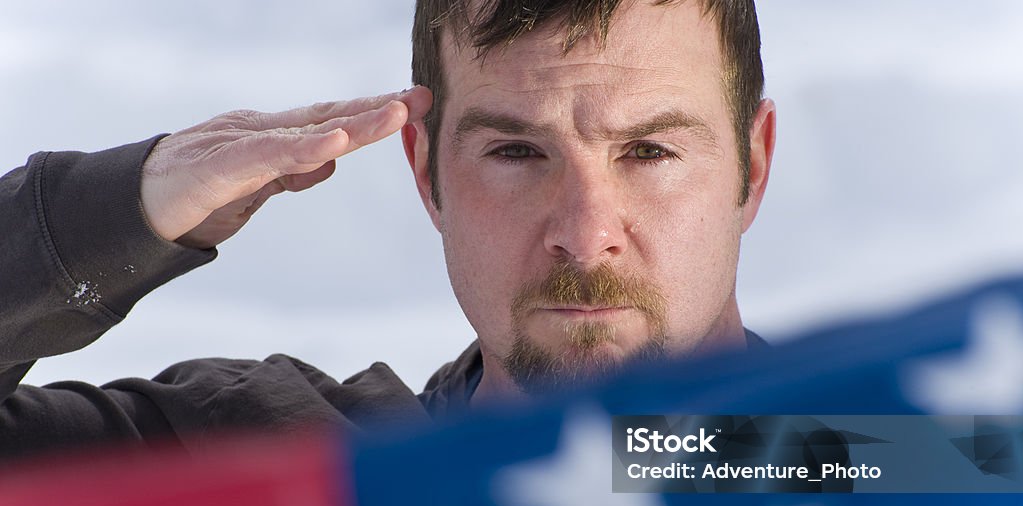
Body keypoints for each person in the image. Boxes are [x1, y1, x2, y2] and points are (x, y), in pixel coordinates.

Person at [0, 0, 775, 456]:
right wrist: (111, 211)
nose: (585, 229)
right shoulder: (284, 462)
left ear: (754, 165)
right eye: (515, 151)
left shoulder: (883, 465)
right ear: (426, 171)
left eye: (649, 150)